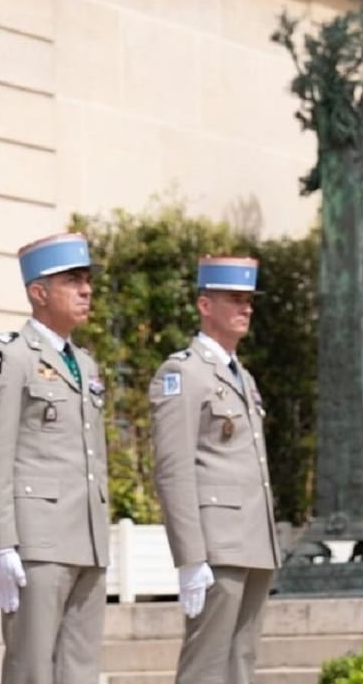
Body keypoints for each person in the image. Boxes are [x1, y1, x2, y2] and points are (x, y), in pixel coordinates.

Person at [0, 233, 111, 684]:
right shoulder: (8, 357)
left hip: (86, 536)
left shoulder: (84, 364)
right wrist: (1, 543)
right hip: (38, 539)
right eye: (73, 280)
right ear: (39, 292)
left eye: (87, 280)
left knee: (81, 670)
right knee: (32, 668)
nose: (86, 290)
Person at [148, 256, 280, 684]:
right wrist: (190, 556)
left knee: (240, 662)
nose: (246, 309)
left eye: (249, 301)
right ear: (205, 305)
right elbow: (173, 468)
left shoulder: (242, 376)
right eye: (234, 299)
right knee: (205, 667)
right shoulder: (183, 373)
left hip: (253, 542)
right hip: (216, 546)